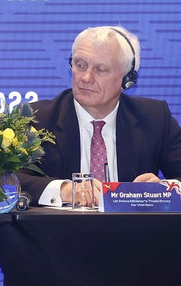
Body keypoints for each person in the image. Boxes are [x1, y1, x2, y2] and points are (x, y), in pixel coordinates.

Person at [18, 26, 181, 206]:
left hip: (132, 225)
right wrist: (62, 190)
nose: (86, 78)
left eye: (100, 69)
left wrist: (163, 189)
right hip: (58, 225)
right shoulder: (36, 120)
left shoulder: (155, 118)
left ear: (127, 80)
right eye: (80, 65)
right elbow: (5, 180)